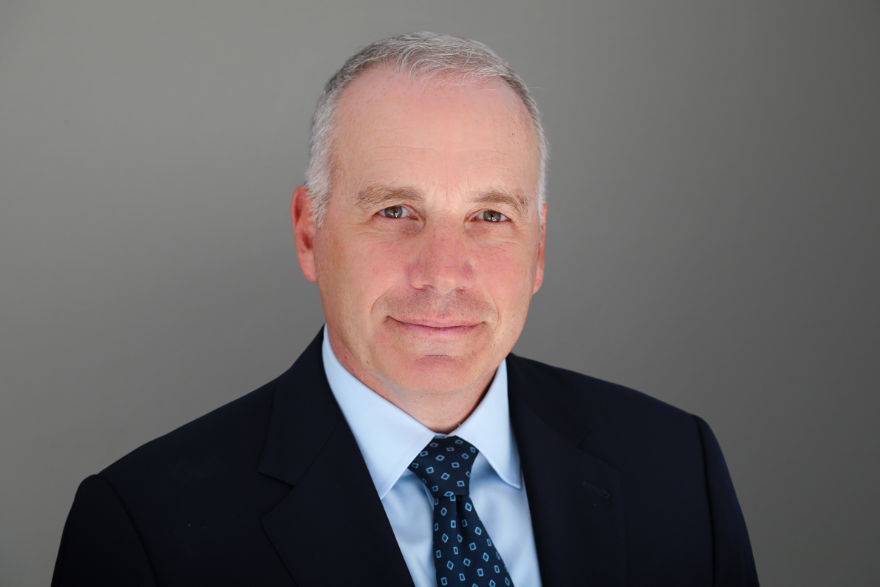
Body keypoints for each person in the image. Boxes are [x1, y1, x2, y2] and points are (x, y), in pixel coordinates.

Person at [52, 32, 758, 586]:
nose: (442, 272)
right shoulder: (142, 531)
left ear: (538, 249)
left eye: (489, 215)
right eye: (395, 210)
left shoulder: (677, 469)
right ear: (308, 234)